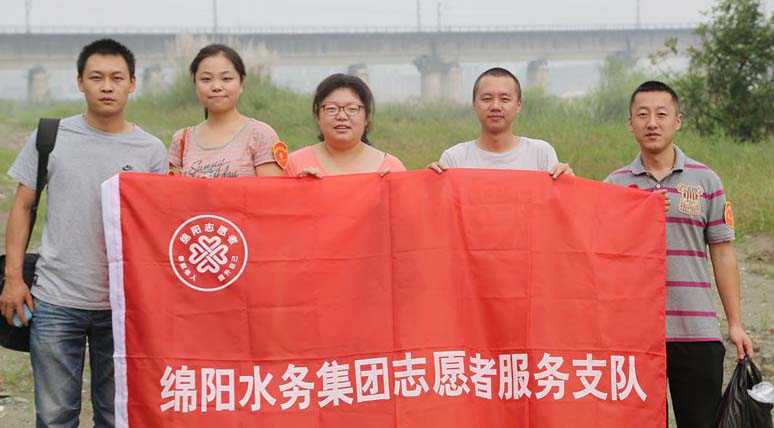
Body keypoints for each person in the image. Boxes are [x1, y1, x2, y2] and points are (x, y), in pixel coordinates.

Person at [0, 39, 168, 427]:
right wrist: (12, 278)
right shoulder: (50, 136)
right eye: (96, 77)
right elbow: (22, 206)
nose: (106, 86)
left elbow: (159, 225)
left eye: (116, 78)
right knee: (55, 416)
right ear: (80, 82)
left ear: (132, 83)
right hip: (55, 299)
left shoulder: (151, 151)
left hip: (124, 306)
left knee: (115, 415)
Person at [604, 80, 753, 428]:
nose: (652, 123)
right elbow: (604, 254)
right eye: (642, 115)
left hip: (697, 332)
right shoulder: (614, 185)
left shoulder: (706, 180)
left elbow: (723, 254)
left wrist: (735, 323)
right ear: (630, 123)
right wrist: (637, 214)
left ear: (678, 121)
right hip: (634, 336)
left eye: (661, 114)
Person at [427, 67, 572, 178]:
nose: (495, 106)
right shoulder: (454, 159)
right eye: (486, 99)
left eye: (504, 99)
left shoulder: (541, 154)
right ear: (474, 104)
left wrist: (568, 182)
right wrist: (428, 181)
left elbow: (558, 204)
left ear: (518, 105)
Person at [168, 44, 286, 178]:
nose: (216, 87)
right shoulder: (182, 140)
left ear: (241, 84)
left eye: (226, 79)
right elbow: (174, 190)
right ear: (195, 84)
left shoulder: (260, 135)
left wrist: (214, 188)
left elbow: (272, 189)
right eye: (206, 79)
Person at [285, 73, 405, 177]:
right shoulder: (294, 165)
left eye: (352, 109)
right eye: (331, 108)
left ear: (366, 117)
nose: (341, 116)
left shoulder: (391, 168)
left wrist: (391, 188)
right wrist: (299, 188)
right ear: (318, 116)